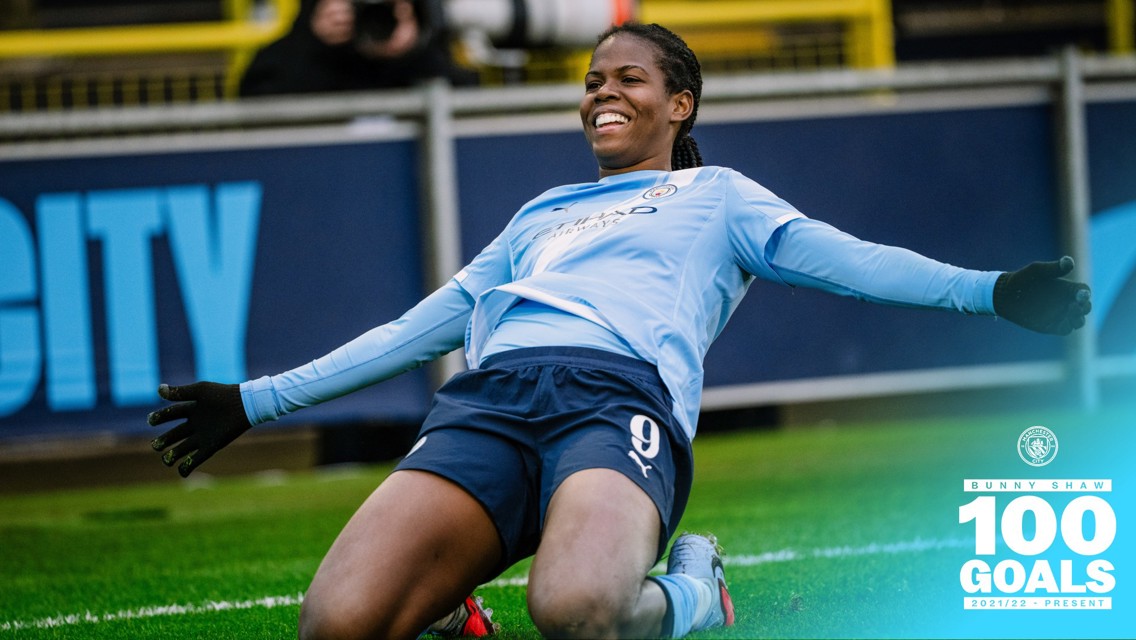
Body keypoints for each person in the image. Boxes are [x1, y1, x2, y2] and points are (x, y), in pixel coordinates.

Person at [149, 22, 1092, 639]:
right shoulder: (539, 215)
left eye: (629, 78)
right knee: (334, 627)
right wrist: (256, 399)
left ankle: (694, 588)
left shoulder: (718, 197)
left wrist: (993, 291)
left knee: (577, 611)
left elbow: (855, 260)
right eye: (594, 79)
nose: (603, 91)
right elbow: (416, 328)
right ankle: (453, 611)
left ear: (678, 104)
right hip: (485, 406)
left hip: (614, 403)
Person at [238, 0, 474, 98]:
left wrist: (412, 49)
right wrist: (313, 43)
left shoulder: (421, 35)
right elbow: (255, 100)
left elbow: (468, 98)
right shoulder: (308, 38)